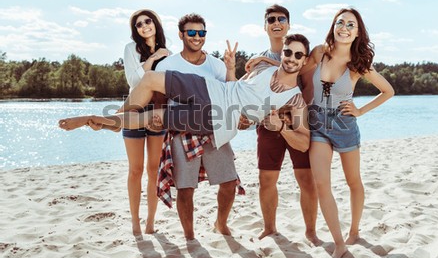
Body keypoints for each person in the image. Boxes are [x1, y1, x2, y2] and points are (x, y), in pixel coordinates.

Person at [58, 34, 311, 168]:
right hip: (212, 89)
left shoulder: (295, 100)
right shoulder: (263, 67)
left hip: (221, 119)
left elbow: (303, 142)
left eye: (298, 55)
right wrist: (266, 60)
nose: (291, 57)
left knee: (156, 118)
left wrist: (281, 128)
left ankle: (108, 121)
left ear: (304, 60)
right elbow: (240, 83)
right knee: (150, 79)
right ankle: (114, 121)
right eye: (287, 51)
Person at [299, 7, 395, 258]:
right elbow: (296, 69)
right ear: (333, 26)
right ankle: (339, 242)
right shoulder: (320, 52)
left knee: (354, 181)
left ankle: (354, 231)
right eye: (340, 22)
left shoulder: (358, 64)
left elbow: (388, 91)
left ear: (357, 32)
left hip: (344, 123)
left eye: (350, 24)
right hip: (317, 122)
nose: (344, 27)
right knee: (321, 184)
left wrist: (360, 110)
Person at [153, 13, 239, 240]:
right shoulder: (168, 64)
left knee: (229, 182)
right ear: (181, 35)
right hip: (182, 132)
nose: (197, 37)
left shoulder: (216, 65)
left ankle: (221, 224)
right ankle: (189, 235)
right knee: (185, 187)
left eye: (202, 32)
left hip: (214, 130)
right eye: (191, 32)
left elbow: (231, 95)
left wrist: (231, 69)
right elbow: (159, 98)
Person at [241, 4, 320, 244]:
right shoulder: (259, 63)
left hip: (299, 121)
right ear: (265, 26)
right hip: (268, 123)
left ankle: (310, 231)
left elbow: (299, 69)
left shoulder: (298, 51)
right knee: (266, 179)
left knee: (306, 179)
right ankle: (269, 228)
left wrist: (267, 59)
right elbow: (244, 92)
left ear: (288, 24)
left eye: (282, 19)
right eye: (272, 19)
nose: (277, 23)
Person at [122, 9, 170, 236]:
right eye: (139, 24)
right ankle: (135, 222)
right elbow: (132, 80)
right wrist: (151, 59)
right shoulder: (131, 49)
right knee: (135, 169)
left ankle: (151, 221)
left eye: (147, 21)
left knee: (153, 169)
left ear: (155, 23)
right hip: (134, 109)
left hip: (158, 112)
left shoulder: (168, 52)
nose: (144, 26)